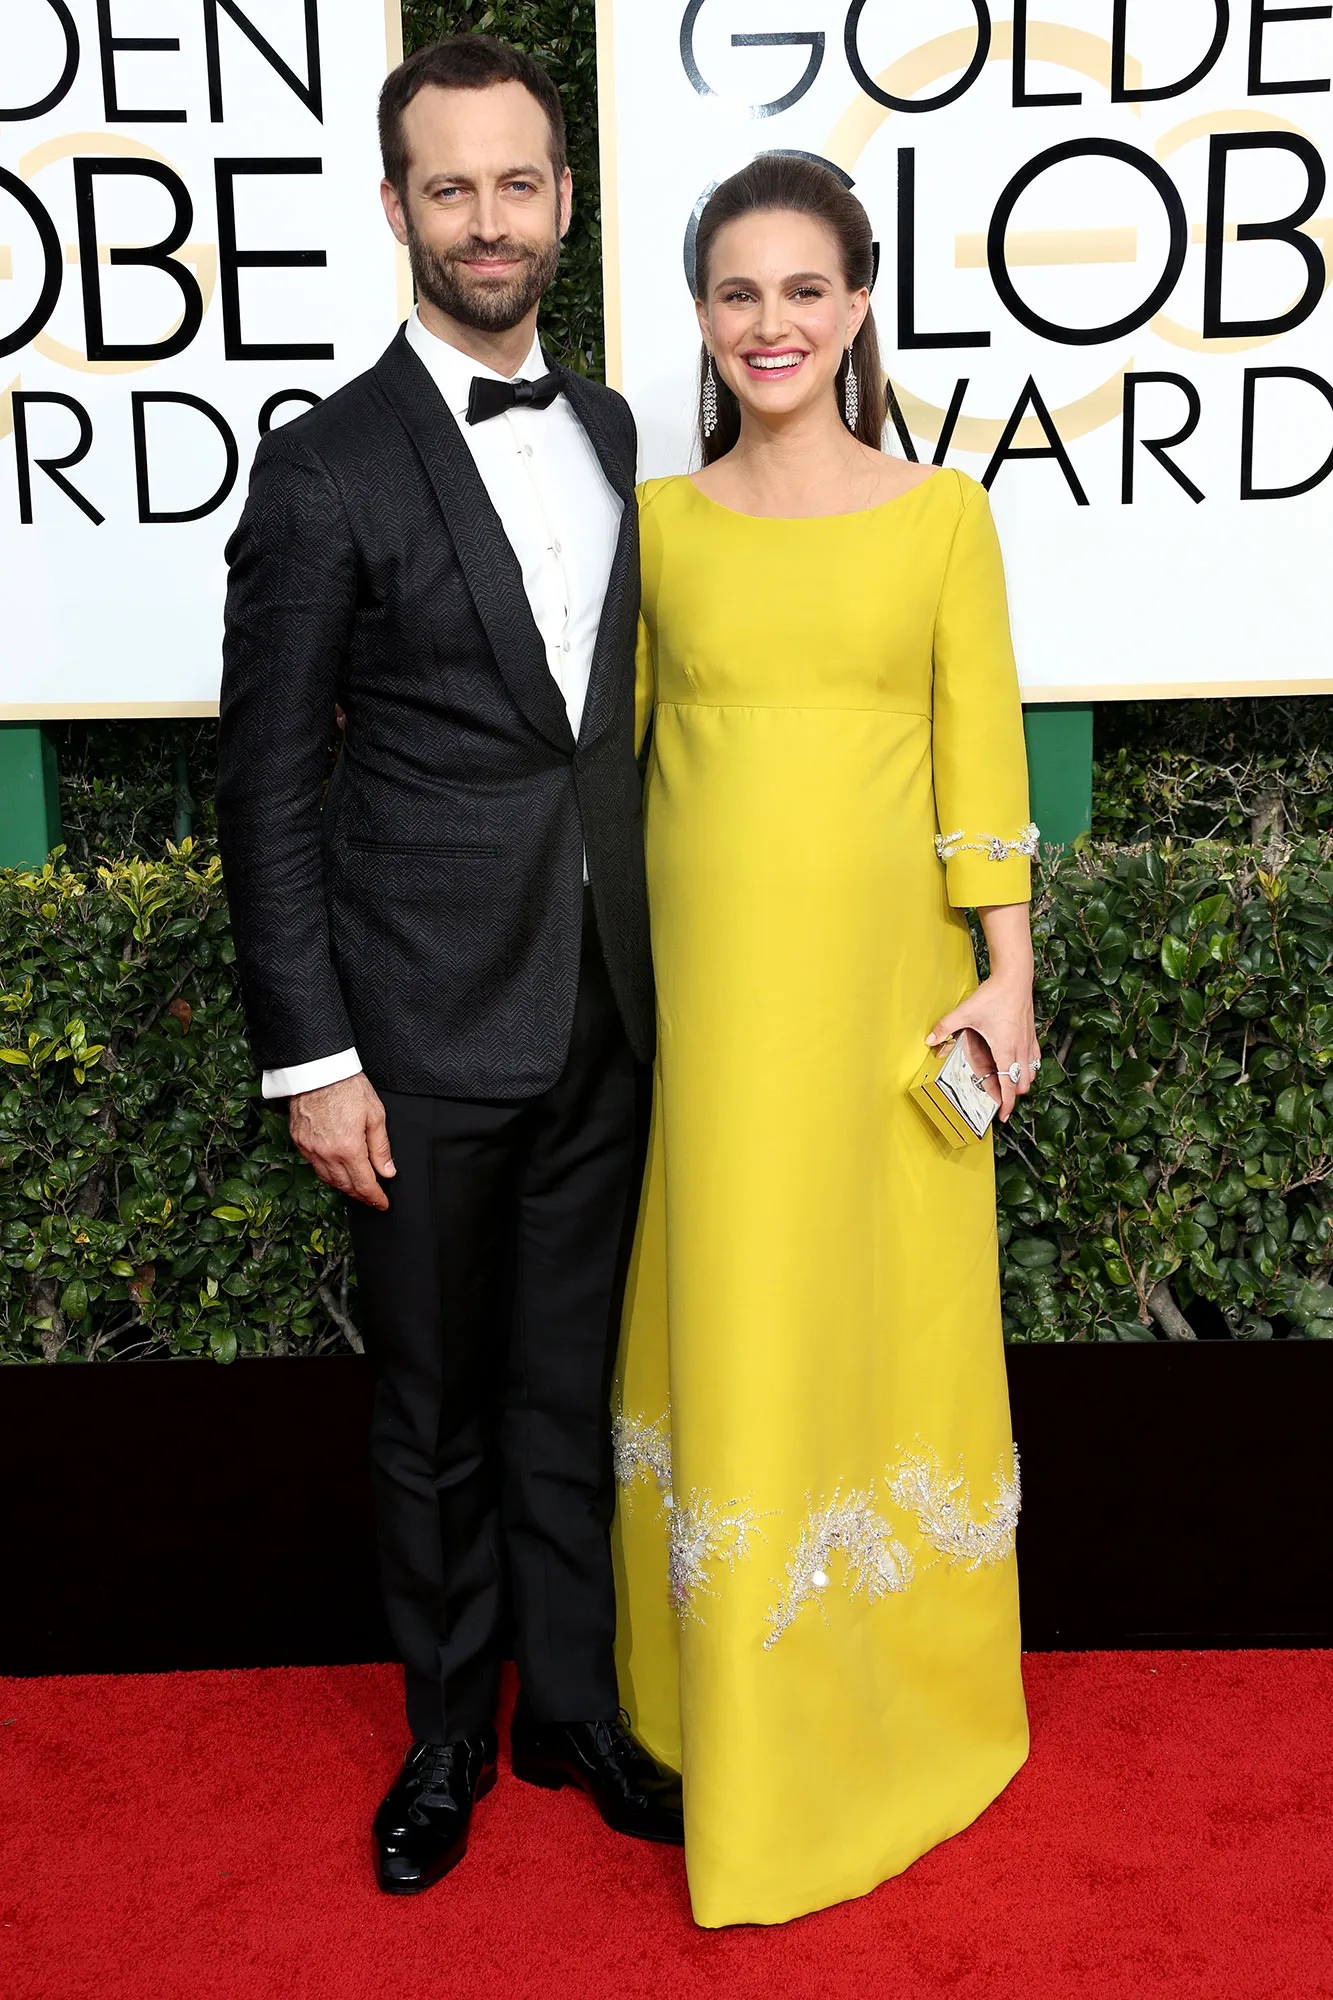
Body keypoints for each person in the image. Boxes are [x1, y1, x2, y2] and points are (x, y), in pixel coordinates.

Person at [216, 33, 683, 1897]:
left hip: (608, 1007)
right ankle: (442, 1735)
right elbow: (264, 784)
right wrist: (313, 1057)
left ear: (564, 201)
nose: (488, 220)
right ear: (397, 207)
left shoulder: (623, 432)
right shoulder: (325, 467)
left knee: (566, 1386)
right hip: (414, 1033)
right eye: (450, 187)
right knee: (430, 1410)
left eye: (517, 183)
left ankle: (569, 1706)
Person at [613, 154, 1039, 1928]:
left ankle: (897, 1702)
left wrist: (1008, 977)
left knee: (881, 1310)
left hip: (885, 1006)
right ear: (703, 319)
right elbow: (603, 767)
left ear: (859, 304)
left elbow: (980, 753)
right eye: (738, 292)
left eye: (804, 289)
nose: (771, 323)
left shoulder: (943, 516)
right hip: (716, 1015)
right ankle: (713, 1707)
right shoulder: (659, 525)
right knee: (734, 1299)